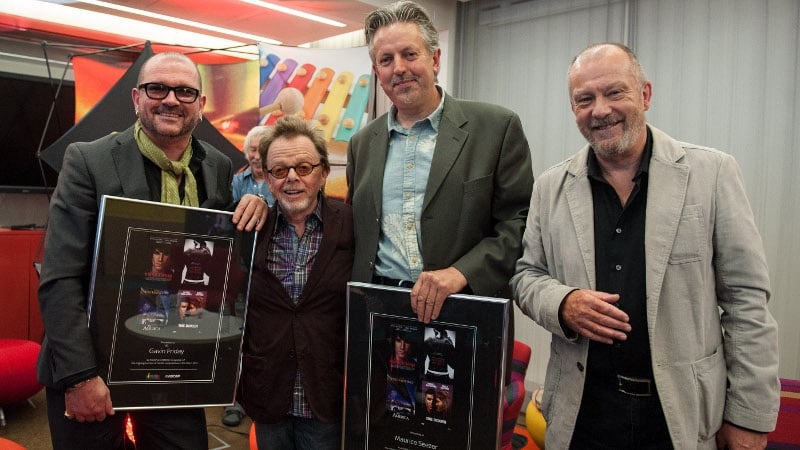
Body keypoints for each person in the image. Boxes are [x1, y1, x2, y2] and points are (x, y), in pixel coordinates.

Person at [510, 42, 780, 449]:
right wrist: (562, 303)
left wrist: (749, 418)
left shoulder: (711, 173)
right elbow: (526, 275)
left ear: (645, 95)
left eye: (614, 92)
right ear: (574, 109)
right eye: (585, 99)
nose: (600, 109)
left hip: (679, 415)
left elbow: (746, 302)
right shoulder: (551, 187)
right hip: (583, 411)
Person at [37, 51, 267, 449]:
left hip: (174, 365)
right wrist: (80, 377)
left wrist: (255, 204)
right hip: (96, 368)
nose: (171, 99)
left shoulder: (216, 166)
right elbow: (60, 277)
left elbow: (216, 253)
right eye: (157, 88)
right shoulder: (89, 160)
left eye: (184, 91)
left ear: (201, 104)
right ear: (136, 98)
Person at [347, 0, 533, 325]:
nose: (399, 68)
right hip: (379, 311)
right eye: (386, 60)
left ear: (435, 59)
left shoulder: (496, 127)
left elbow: (519, 223)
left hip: (465, 307)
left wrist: (461, 272)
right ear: (377, 73)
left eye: (410, 54)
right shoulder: (361, 144)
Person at [237, 115, 354, 450]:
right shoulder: (251, 227)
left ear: (323, 173)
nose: (291, 178)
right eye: (279, 170)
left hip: (325, 392)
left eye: (303, 167)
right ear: (267, 178)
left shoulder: (351, 224)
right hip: (267, 389)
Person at [223, 125, 273, 426]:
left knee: (266, 338)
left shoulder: (279, 178)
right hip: (241, 272)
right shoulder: (235, 181)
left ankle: (264, 400)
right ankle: (238, 400)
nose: (255, 155)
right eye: (252, 149)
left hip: (271, 273)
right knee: (238, 336)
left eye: (261, 149)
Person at [232, 124, 274, 205]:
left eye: (262, 150)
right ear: (247, 151)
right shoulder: (237, 182)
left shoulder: (280, 181)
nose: (257, 157)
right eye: (253, 150)